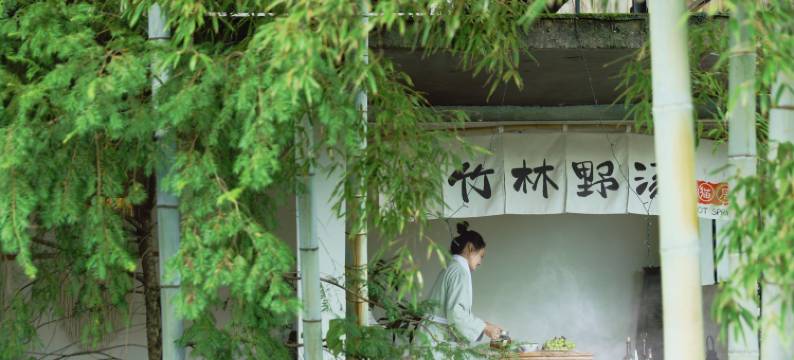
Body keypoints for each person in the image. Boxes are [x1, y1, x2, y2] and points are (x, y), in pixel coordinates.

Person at [420, 221, 502, 357]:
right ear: (470, 248)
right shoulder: (459, 272)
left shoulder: (452, 268)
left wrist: (485, 324)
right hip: (436, 340)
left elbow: (454, 310)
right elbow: (456, 313)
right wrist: (485, 327)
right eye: (481, 256)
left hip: (431, 337)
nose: (481, 261)